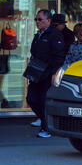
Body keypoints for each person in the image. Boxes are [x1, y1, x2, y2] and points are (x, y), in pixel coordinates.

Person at [25, 9, 65, 138]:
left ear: (48, 21)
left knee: (43, 101)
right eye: (36, 19)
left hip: (48, 74)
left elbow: (59, 56)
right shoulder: (38, 35)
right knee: (31, 98)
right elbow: (34, 52)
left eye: (40, 19)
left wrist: (54, 74)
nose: (37, 22)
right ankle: (44, 120)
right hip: (36, 73)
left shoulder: (55, 35)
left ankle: (46, 128)